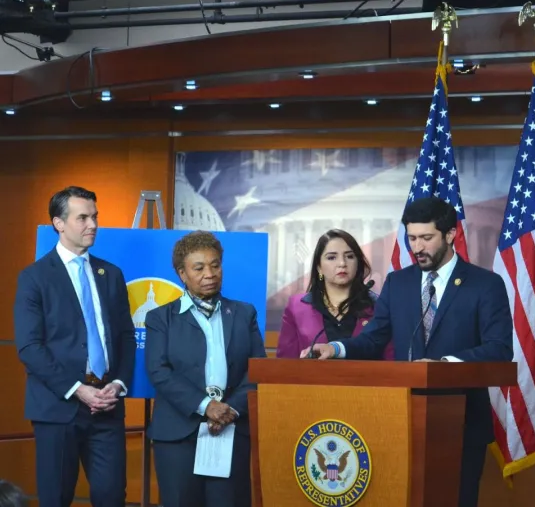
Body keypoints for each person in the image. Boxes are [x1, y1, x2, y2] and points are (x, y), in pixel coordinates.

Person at [301, 197, 513, 507]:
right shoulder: (398, 284)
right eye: (412, 238)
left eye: (426, 238)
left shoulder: (485, 285)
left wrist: (443, 365)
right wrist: (335, 348)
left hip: (463, 422)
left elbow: (499, 348)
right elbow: (373, 339)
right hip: (402, 418)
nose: (417, 247)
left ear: (451, 235)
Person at [14, 186, 135, 507]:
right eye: (82, 217)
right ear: (59, 223)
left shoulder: (110, 274)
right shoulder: (34, 278)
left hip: (107, 408)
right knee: (56, 498)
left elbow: (125, 336)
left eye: (94, 216)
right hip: (57, 409)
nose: (92, 224)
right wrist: (77, 389)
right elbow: (29, 347)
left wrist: (119, 383)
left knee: (112, 497)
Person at [145, 231, 267, 507]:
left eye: (215, 265)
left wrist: (230, 410)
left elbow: (257, 369)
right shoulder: (160, 318)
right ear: (182, 274)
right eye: (198, 268)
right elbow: (159, 371)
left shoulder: (244, 313)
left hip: (230, 428)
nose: (209, 273)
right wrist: (206, 406)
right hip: (177, 434)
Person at [276, 229, 391, 359]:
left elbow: (391, 361)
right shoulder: (296, 307)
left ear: (358, 263)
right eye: (332, 257)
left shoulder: (379, 306)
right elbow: (284, 364)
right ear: (319, 267)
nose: (342, 263)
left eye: (349, 256)